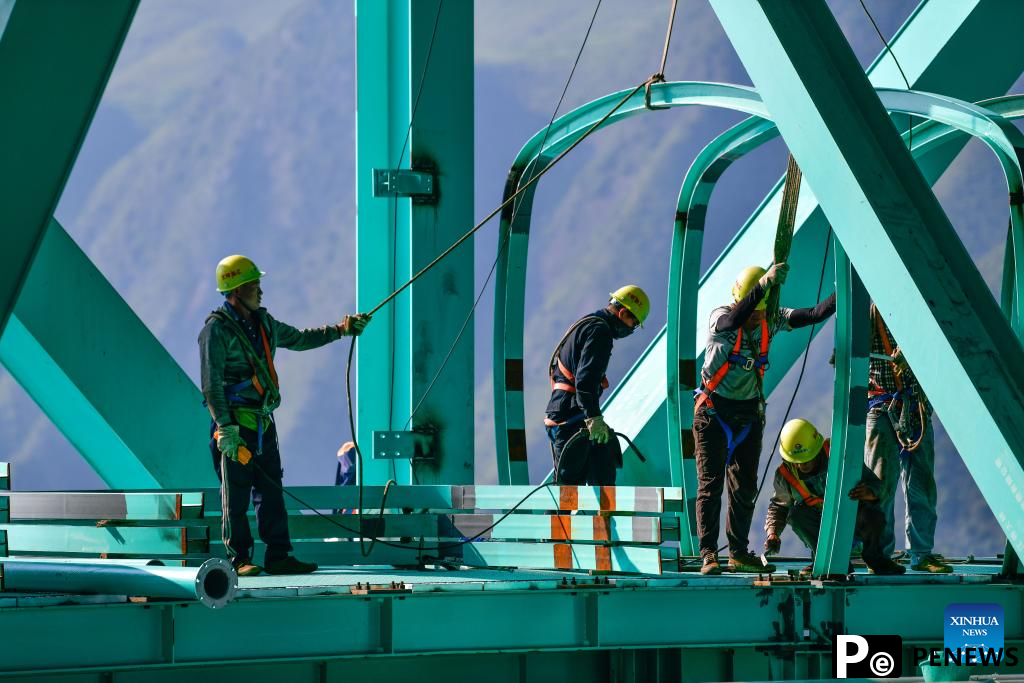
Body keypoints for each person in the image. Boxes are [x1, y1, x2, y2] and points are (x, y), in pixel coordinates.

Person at [199, 255, 369, 576]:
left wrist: (341, 330)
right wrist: (225, 428)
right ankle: (239, 559)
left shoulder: (264, 324)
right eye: (254, 286)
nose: (260, 292)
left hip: (262, 424)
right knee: (235, 497)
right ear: (236, 291)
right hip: (235, 427)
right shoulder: (216, 331)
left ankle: (278, 556)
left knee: (271, 493)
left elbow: (301, 339)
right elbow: (211, 386)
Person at [695, 263, 836, 575]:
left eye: (762, 311)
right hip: (713, 412)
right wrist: (763, 286)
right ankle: (708, 554)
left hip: (748, 415)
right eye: (755, 310)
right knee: (710, 486)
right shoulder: (721, 317)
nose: (758, 317)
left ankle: (737, 553)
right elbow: (734, 319)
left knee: (744, 488)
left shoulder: (769, 319)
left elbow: (814, 314)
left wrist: (846, 291)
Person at [865, 303, 951, 573]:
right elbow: (851, 349)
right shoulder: (872, 312)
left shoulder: (920, 309)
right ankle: (879, 556)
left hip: (915, 407)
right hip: (884, 406)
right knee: (880, 487)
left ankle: (921, 554)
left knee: (921, 487)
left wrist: (915, 350)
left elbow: (941, 344)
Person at [764, 418, 905, 575]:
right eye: (796, 461)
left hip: (850, 516)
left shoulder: (838, 453)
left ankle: (875, 559)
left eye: (807, 459)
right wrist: (773, 533)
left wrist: (870, 493)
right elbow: (779, 507)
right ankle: (823, 560)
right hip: (818, 522)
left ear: (817, 449)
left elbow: (877, 485)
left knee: (873, 514)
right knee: (796, 515)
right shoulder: (785, 474)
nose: (802, 465)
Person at [544, 286, 650, 485]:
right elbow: (585, 381)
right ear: (623, 313)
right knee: (568, 491)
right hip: (570, 419)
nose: (632, 328)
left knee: (603, 464)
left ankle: (602, 506)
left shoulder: (588, 323)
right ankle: (573, 507)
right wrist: (594, 418)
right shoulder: (600, 331)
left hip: (569, 414)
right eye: (634, 323)